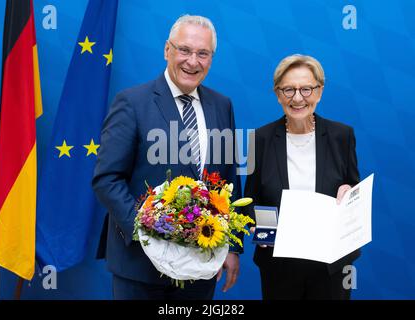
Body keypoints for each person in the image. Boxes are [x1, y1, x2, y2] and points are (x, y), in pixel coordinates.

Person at [92, 15, 242, 300]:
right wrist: (147, 231)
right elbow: (107, 179)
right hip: (140, 266)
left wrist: (232, 247)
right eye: (184, 50)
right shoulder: (132, 102)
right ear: (167, 50)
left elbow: (229, 179)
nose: (192, 61)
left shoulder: (222, 106)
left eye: (203, 53)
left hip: (201, 265)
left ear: (211, 58)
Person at [244, 54, 360, 300]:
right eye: (288, 90)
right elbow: (249, 201)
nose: (297, 98)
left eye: (306, 89)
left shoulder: (342, 136)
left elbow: (354, 187)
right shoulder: (259, 140)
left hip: (331, 265)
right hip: (279, 266)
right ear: (277, 94)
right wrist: (261, 229)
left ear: (319, 91)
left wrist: (350, 192)